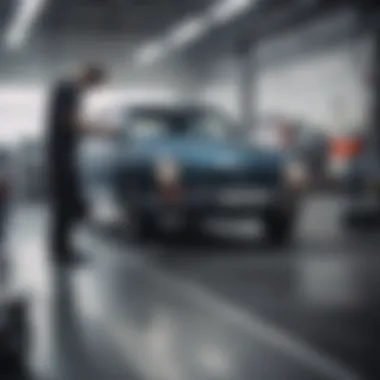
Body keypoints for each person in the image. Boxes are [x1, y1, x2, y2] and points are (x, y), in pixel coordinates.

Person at [47, 64, 109, 265]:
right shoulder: (68, 89)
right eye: (95, 85)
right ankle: (62, 252)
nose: (92, 90)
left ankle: (62, 250)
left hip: (64, 156)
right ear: (89, 77)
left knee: (67, 205)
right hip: (61, 157)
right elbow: (72, 122)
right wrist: (103, 131)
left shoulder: (70, 91)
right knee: (66, 205)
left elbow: (75, 121)